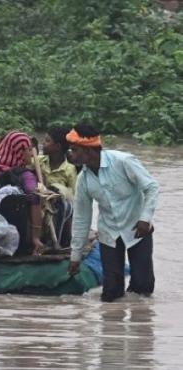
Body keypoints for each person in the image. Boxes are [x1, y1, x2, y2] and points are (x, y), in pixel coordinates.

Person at [66, 124, 159, 302]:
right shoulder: (83, 179)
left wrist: (145, 219)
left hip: (138, 229)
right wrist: (75, 256)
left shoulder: (123, 161)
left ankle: (141, 323)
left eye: (74, 150)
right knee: (111, 293)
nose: (71, 154)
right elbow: (81, 219)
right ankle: (111, 326)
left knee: (143, 287)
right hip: (109, 233)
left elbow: (151, 187)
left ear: (88, 151)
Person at [0, 131, 45, 255]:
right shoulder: (26, 176)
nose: (31, 154)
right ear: (19, 152)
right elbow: (35, 200)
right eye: (29, 150)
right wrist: (36, 238)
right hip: (15, 231)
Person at [34, 126, 78, 247]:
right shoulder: (39, 161)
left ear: (58, 147)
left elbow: (73, 196)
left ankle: (58, 242)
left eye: (47, 141)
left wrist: (55, 194)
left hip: (60, 209)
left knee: (61, 201)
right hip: (41, 207)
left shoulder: (69, 169)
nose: (43, 143)